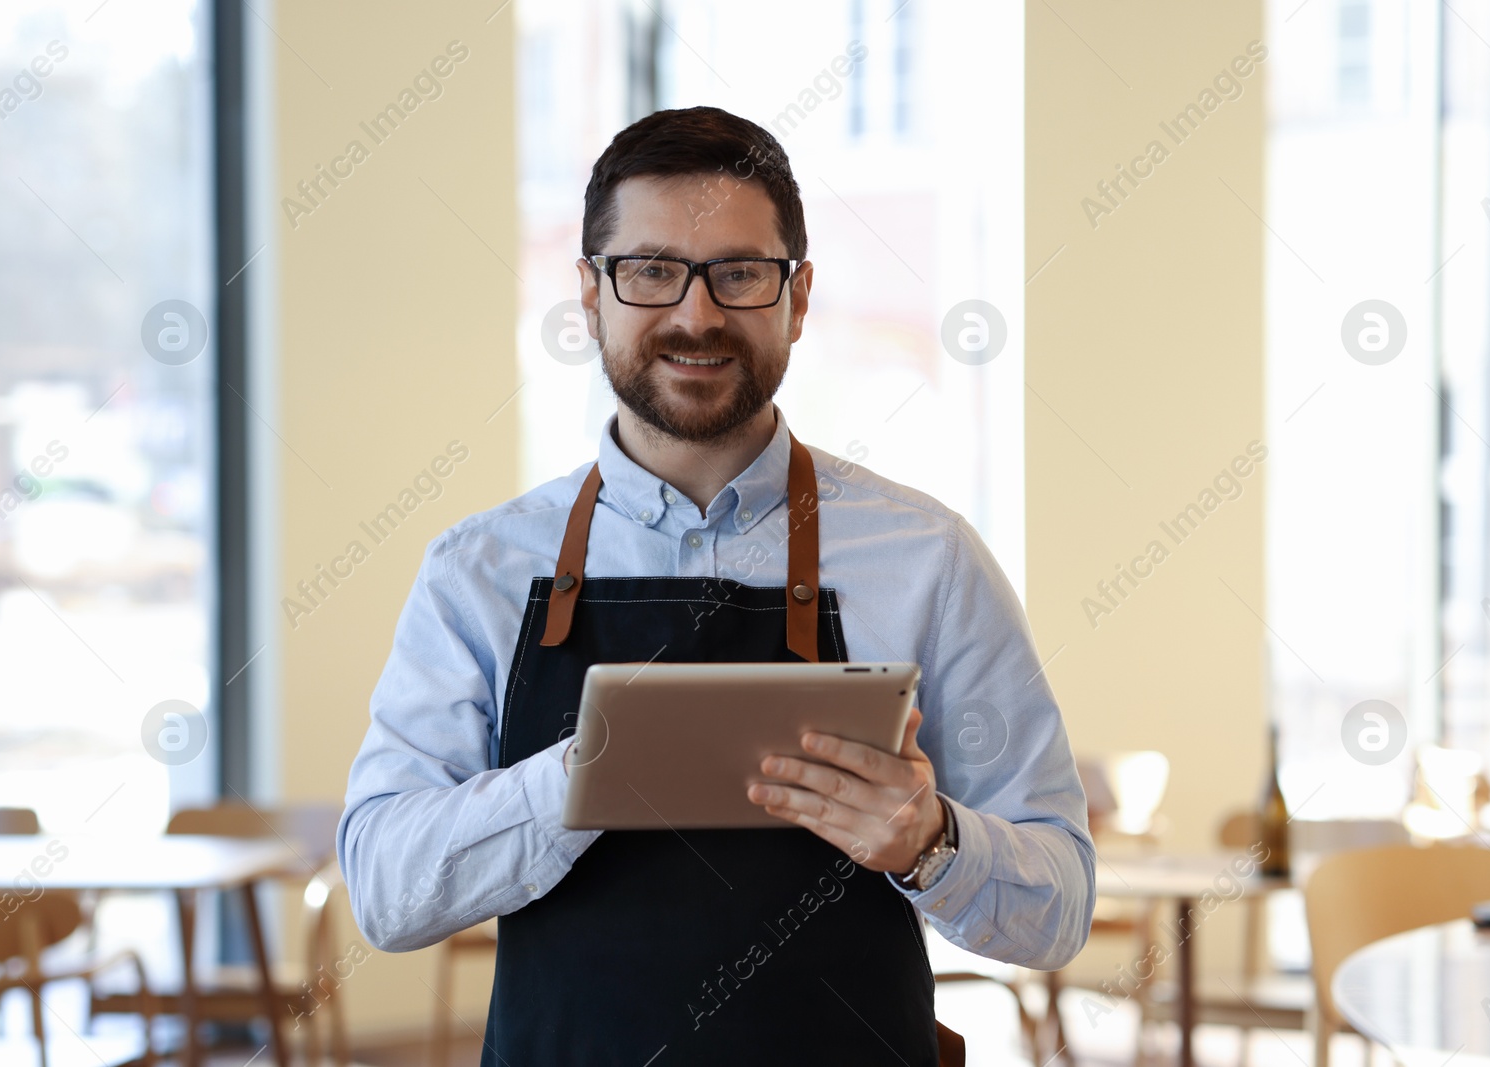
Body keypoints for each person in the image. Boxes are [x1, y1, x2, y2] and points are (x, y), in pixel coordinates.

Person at [337, 105, 1094, 1066]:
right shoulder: (477, 572)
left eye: (739, 273)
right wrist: (585, 777)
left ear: (799, 296)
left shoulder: (930, 560)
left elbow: (1059, 905)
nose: (696, 315)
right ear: (589, 294)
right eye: (651, 270)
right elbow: (386, 893)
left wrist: (928, 840)